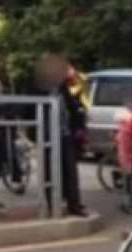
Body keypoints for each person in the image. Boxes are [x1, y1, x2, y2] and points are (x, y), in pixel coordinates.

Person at [33, 53, 86, 217]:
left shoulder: (62, 85)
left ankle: (74, 204)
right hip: (47, 134)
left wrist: (78, 126)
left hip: (64, 132)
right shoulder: (37, 87)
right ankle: (50, 204)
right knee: (49, 170)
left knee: (70, 169)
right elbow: (30, 108)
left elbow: (73, 104)